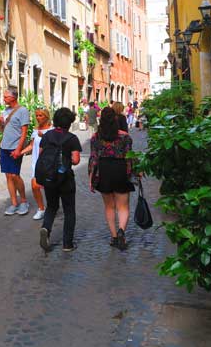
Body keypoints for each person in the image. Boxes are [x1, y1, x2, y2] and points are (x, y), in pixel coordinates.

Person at [88, 107, 135, 250]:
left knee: (109, 206)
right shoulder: (124, 136)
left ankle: (114, 237)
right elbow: (130, 157)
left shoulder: (96, 137)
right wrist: (133, 173)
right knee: (123, 206)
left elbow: (93, 160)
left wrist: (91, 179)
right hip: (120, 169)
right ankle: (121, 230)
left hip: (104, 170)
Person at [38, 108, 82, 252]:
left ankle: (46, 228)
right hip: (66, 179)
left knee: (51, 206)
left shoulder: (47, 136)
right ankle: (67, 244)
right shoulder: (72, 139)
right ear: (69, 123)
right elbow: (75, 160)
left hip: (49, 178)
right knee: (69, 210)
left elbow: (41, 156)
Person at [0, 87, 30, 215]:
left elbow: (24, 133)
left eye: (6, 97)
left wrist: (19, 149)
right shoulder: (5, 111)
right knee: (8, 175)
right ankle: (14, 203)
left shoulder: (22, 111)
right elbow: (2, 130)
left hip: (15, 147)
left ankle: (23, 201)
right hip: (4, 147)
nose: (4, 99)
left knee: (15, 175)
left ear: (13, 97)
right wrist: (0, 123)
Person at [20, 108, 53, 220]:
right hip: (36, 163)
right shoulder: (35, 130)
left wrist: (44, 137)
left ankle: (52, 208)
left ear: (46, 117)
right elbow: (31, 146)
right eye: (37, 116)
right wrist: (20, 152)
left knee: (49, 188)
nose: (38, 118)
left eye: (41, 116)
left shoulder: (51, 130)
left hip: (48, 164)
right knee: (35, 186)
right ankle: (41, 208)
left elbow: (54, 146)